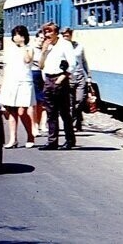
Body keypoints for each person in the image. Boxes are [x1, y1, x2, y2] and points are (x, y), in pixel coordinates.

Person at [38, 21, 77, 150]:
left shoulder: (65, 45)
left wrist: (61, 78)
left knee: (64, 112)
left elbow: (72, 64)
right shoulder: (47, 46)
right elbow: (41, 65)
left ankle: (70, 140)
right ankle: (52, 141)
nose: (47, 35)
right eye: (45, 32)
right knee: (51, 113)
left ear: (56, 33)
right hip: (48, 79)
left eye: (50, 32)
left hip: (60, 78)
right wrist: (44, 51)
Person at [0, 25, 36, 148]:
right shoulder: (10, 50)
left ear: (24, 36)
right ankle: (13, 139)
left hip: (24, 82)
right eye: (14, 35)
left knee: (21, 111)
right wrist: (3, 85)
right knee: (11, 111)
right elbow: (6, 67)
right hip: (11, 81)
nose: (16, 37)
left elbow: (27, 60)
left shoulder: (29, 48)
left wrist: (23, 46)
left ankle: (30, 135)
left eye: (18, 35)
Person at [61, 27, 90, 132]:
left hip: (80, 76)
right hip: (68, 77)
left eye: (67, 35)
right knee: (70, 103)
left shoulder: (79, 47)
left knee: (80, 100)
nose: (65, 37)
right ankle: (74, 124)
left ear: (71, 35)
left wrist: (89, 76)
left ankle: (77, 119)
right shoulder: (60, 48)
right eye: (64, 36)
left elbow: (84, 61)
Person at [30, 29, 48, 137]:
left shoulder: (46, 49)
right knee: (35, 102)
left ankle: (42, 124)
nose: (42, 40)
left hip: (44, 75)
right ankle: (35, 125)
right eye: (41, 38)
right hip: (35, 74)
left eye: (44, 38)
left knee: (43, 102)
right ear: (36, 38)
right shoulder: (32, 48)